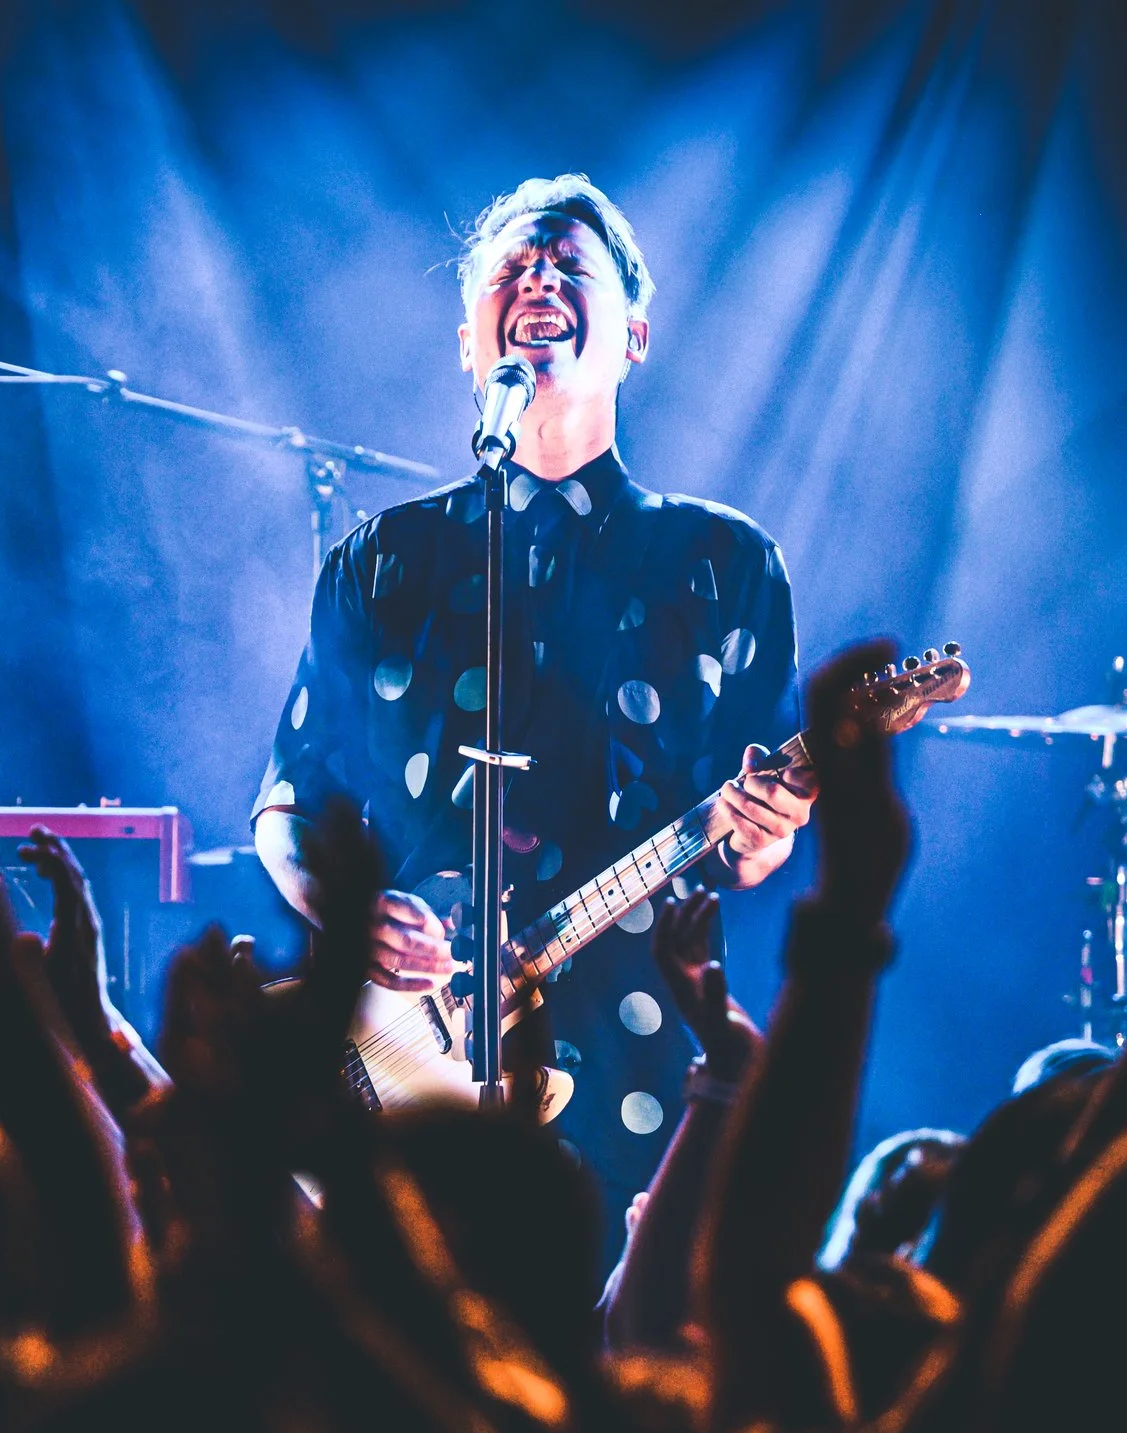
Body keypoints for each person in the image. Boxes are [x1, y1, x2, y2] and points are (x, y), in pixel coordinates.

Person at [252, 175, 809, 1253]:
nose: (538, 279)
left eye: (568, 266)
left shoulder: (723, 564)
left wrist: (763, 833)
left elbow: (746, 846)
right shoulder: (384, 561)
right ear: (471, 342)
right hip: (410, 1056)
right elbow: (286, 796)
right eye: (510, 269)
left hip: (640, 1048)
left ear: (633, 336)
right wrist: (342, 910)